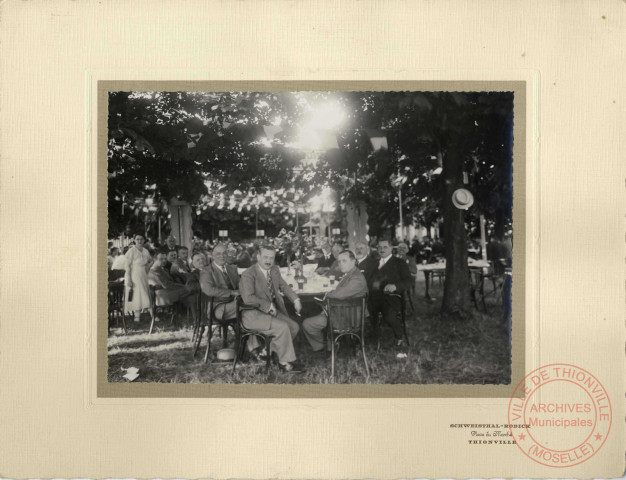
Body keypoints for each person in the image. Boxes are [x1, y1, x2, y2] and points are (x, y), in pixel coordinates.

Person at [239, 245, 304, 373]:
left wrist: (296, 299)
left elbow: (284, 286)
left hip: (271, 312)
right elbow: (248, 298)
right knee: (282, 327)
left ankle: (266, 351)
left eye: (271, 258)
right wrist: (268, 305)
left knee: (294, 327)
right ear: (258, 257)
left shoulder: (274, 269)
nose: (268, 261)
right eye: (265, 257)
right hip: (253, 314)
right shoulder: (248, 274)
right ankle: (284, 362)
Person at [302, 250, 368, 354]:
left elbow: (338, 294)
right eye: (339, 261)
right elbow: (339, 293)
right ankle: (328, 345)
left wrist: (327, 295)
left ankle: (326, 346)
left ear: (353, 261)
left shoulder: (357, 279)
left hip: (348, 318)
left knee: (308, 324)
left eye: (344, 261)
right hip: (342, 312)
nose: (341, 264)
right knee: (313, 315)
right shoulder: (350, 274)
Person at [368, 239, 413, 350]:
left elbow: (409, 281)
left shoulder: (399, 263)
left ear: (391, 249)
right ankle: (373, 334)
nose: (381, 250)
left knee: (389, 315)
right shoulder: (374, 263)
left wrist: (395, 286)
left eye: (385, 247)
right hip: (374, 297)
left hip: (392, 298)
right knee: (362, 310)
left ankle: (399, 336)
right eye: (379, 247)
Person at [199, 244, 240, 322]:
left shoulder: (232, 268)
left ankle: (249, 331)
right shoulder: (206, 271)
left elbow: (242, 284)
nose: (222, 256)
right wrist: (232, 292)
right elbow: (208, 290)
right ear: (213, 256)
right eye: (218, 254)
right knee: (251, 305)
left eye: (224, 253)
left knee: (251, 304)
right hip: (216, 308)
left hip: (235, 304)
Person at [124, 234, 154, 322]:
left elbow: (151, 260)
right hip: (133, 273)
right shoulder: (131, 251)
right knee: (136, 293)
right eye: (137, 239)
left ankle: (152, 314)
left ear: (144, 240)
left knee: (145, 291)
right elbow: (127, 266)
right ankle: (137, 316)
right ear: (134, 240)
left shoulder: (145, 251)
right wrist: (128, 279)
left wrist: (149, 266)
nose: (139, 241)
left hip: (143, 273)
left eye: (141, 239)